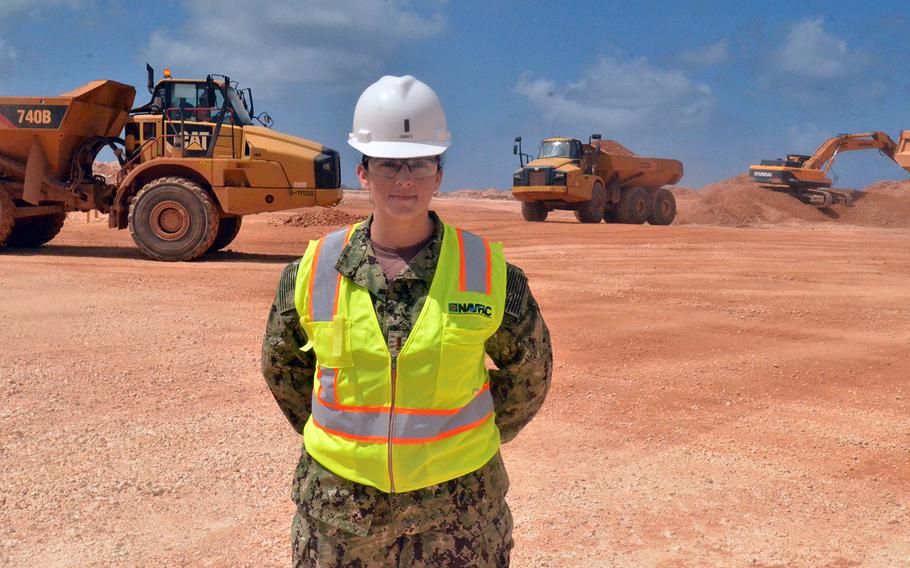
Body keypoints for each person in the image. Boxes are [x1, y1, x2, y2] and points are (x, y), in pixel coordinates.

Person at [261, 75, 552, 567]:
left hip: (459, 519)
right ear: (363, 172)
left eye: (418, 163)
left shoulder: (487, 272)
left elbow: (529, 376)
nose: (404, 179)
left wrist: (466, 440)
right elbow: (283, 369)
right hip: (341, 518)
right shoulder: (312, 271)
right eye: (389, 164)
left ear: (439, 174)